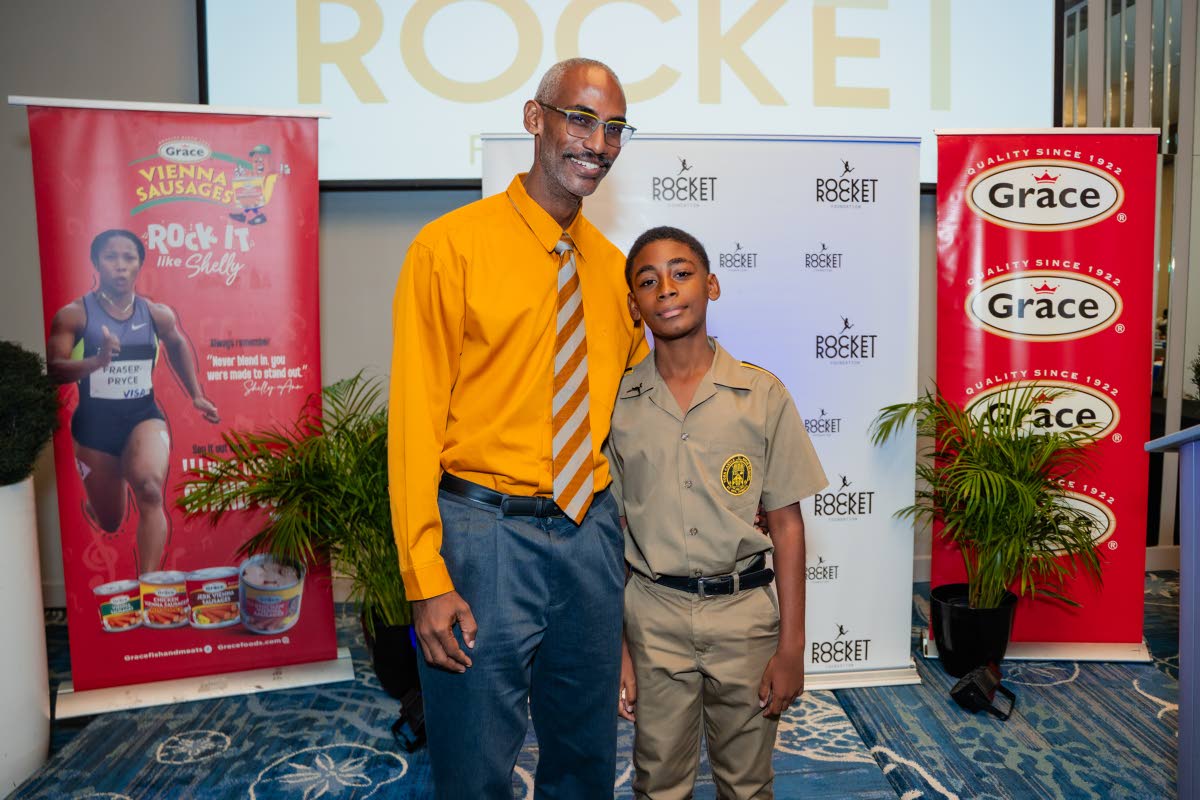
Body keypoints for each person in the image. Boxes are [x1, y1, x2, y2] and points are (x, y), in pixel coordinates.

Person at [388, 58, 646, 797]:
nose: (598, 142)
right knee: (472, 764)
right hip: (483, 534)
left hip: (588, 534)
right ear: (535, 120)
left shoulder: (613, 271)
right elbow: (413, 424)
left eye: (615, 128)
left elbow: (626, 424)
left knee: (586, 758)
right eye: (581, 118)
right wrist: (425, 575)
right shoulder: (448, 249)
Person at [608, 226, 828, 799]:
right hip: (653, 616)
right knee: (658, 781)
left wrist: (790, 650)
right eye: (648, 281)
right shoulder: (618, 405)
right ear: (634, 305)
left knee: (747, 783)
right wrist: (622, 650)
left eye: (682, 273)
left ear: (712, 285)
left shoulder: (762, 396)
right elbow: (612, 534)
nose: (667, 290)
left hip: (744, 621)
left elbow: (786, 525)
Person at [47, 229, 219, 575]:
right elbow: (55, 370)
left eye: (129, 258)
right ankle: (101, 506)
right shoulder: (74, 315)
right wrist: (97, 362)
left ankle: (149, 585)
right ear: (96, 262)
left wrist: (196, 394)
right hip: (95, 427)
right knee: (112, 521)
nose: (121, 266)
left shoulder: (156, 314)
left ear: (140, 264)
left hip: (143, 415)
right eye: (111, 257)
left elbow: (178, 344)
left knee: (151, 489)